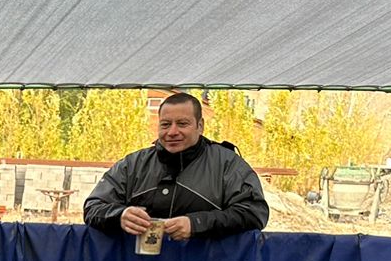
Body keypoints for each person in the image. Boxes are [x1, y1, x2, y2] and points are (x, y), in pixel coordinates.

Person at [82, 92, 269, 240]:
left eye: (182, 124)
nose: (172, 132)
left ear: (200, 126)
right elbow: (93, 207)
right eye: (165, 124)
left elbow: (255, 212)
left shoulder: (228, 164)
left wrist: (197, 224)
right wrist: (119, 216)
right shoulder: (133, 164)